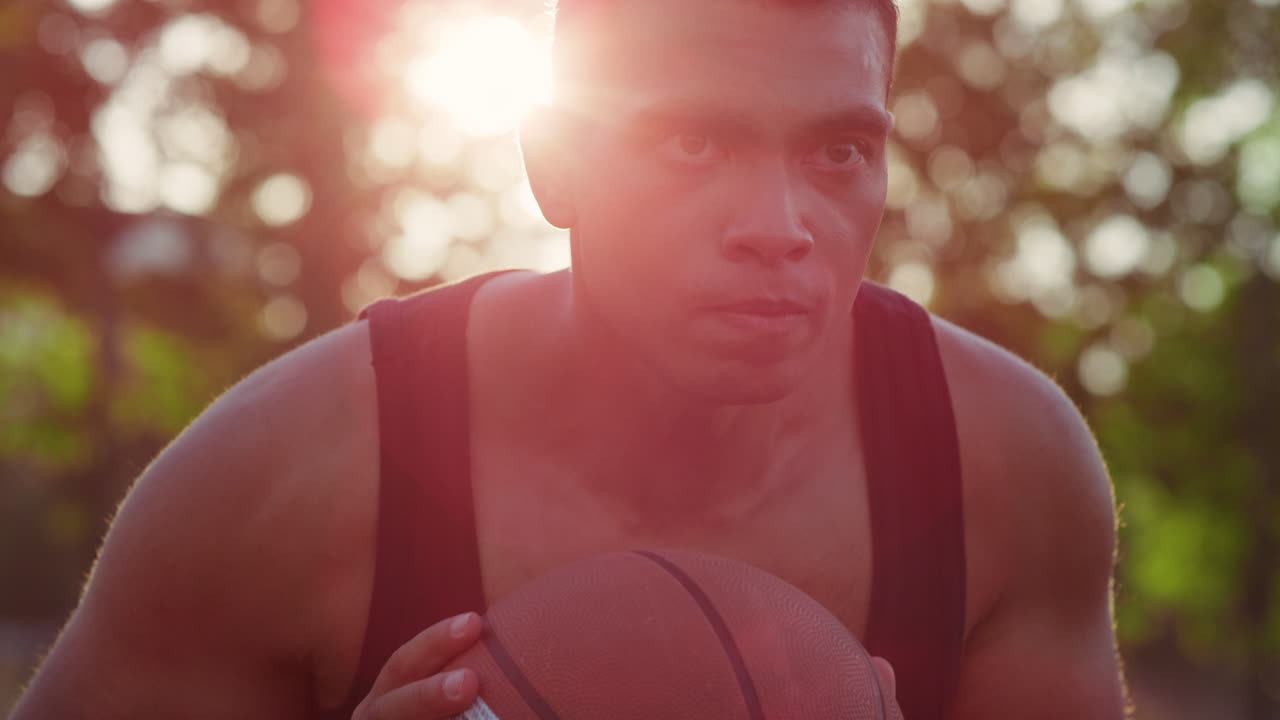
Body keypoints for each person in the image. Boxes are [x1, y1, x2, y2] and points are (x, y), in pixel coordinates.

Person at [11, 0, 1129, 718]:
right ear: (551, 165)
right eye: (692, 140)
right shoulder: (283, 477)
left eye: (839, 149)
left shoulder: (1004, 468)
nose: (779, 222)